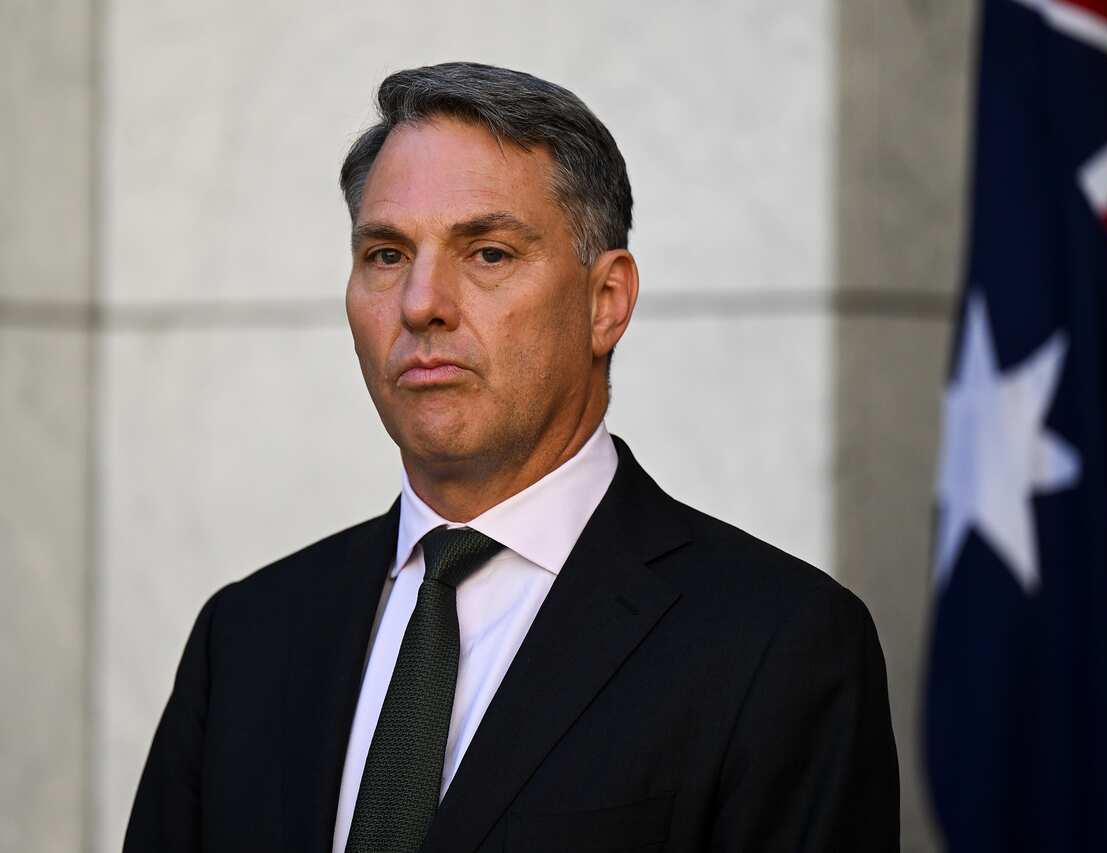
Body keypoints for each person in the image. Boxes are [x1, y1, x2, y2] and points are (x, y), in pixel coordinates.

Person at [124, 61, 899, 853]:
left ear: (607, 302)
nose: (422, 302)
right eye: (387, 254)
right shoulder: (247, 637)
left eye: (488, 253)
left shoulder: (777, 643)